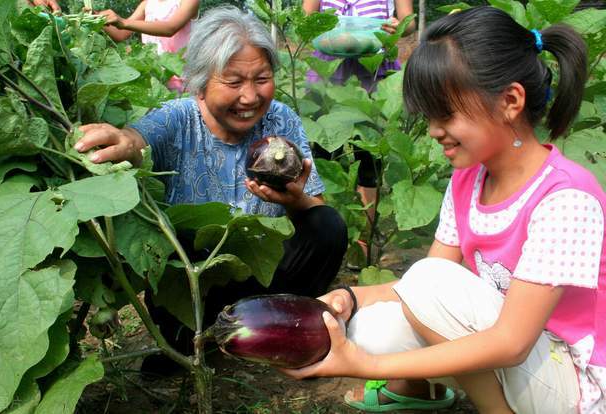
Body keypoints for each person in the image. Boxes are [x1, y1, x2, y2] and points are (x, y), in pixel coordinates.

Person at [283, 6, 604, 414]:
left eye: (446, 113)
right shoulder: (469, 180)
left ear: (510, 100)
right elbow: (417, 296)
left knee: (427, 288)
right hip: (523, 360)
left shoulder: (567, 197)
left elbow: (510, 342)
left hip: (573, 383)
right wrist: (350, 297)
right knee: (366, 327)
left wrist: (371, 367)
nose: (435, 130)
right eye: (430, 114)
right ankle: (418, 391)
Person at [75, 6, 348, 375]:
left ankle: (278, 331)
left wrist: (295, 199)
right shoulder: (177, 117)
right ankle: (189, 341)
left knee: (327, 226)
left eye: (262, 78)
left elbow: (314, 205)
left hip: (263, 270)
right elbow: (139, 138)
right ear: (201, 84)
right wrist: (123, 141)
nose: (250, 96)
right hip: (195, 276)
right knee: (180, 241)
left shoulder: (281, 118)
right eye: (233, 83)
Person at [303, 0, 415, 250]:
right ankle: (323, 238)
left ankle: (363, 241)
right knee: (325, 154)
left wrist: (398, 26)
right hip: (329, 69)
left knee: (370, 156)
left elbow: (409, 23)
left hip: (373, 68)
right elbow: (306, 18)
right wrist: (328, 28)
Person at [98, 0, 199, 92]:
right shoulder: (147, 4)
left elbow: (170, 28)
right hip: (154, 79)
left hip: (182, 79)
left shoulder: (188, 1)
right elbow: (121, 34)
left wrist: (123, 22)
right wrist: (97, 18)